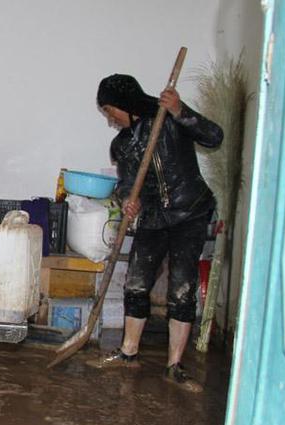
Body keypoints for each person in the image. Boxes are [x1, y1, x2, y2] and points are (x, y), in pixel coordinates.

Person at [92, 74, 223, 392]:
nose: (110, 119)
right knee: (136, 283)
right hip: (152, 218)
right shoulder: (121, 144)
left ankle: (175, 365)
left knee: (182, 287)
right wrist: (127, 199)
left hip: (189, 212)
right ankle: (128, 353)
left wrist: (181, 111)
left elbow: (214, 136)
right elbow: (125, 183)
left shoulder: (169, 118)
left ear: (125, 104)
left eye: (111, 110)